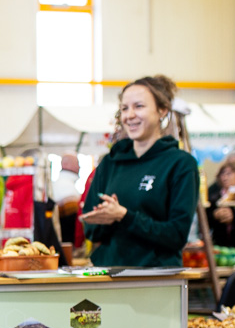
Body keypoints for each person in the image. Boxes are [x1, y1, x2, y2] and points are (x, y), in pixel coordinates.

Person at [79, 75, 199, 267]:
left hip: (155, 276)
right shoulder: (110, 163)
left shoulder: (180, 164)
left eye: (139, 106)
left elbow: (176, 235)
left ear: (162, 111)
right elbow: (91, 230)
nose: (130, 115)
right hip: (108, 274)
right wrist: (105, 218)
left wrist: (124, 216)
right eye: (124, 108)